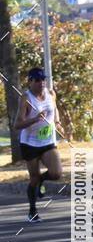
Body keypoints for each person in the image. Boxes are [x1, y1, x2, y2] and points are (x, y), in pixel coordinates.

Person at [14, 68, 64, 221]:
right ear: (30, 82)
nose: (41, 82)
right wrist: (35, 119)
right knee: (34, 178)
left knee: (56, 173)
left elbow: (54, 109)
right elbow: (18, 124)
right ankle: (32, 211)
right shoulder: (26, 98)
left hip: (48, 141)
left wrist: (57, 122)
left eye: (43, 79)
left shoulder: (50, 93)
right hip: (30, 143)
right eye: (37, 80)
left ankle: (42, 180)